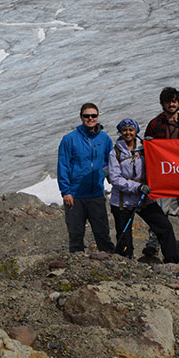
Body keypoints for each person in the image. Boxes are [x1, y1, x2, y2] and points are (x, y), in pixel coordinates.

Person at [108, 118, 179, 263]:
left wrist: (153, 145)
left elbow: (158, 162)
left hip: (145, 199)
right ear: (121, 132)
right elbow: (115, 179)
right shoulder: (115, 153)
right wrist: (138, 187)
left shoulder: (145, 148)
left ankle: (172, 261)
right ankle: (126, 263)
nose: (128, 133)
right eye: (125, 130)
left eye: (131, 130)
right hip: (123, 202)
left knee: (164, 226)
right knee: (124, 237)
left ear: (136, 132)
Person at [141, 86, 179, 260]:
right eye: (168, 101)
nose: (171, 104)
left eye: (174, 101)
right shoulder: (154, 124)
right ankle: (153, 243)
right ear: (163, 104)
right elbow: (146, 150)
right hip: (163, 176)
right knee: (160, 211)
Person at [57, 103, 115, 254]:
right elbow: (63, 166)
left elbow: (110, 162)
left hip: (96, 193)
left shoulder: (104, 138)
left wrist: (113, 181)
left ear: (98, 117)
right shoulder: (69, 139)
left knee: (102, 233)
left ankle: (108, 262)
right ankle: (76, 265)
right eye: (87, 116)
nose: (90, 118)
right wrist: (66, 191)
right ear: (81, 117)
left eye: (93, 116)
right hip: (75, 195)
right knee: (76, 234)